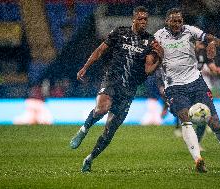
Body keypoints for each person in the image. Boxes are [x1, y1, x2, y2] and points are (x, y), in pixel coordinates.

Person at [69, 6, 163, 173]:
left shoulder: (149, 41)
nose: (143, 22)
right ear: (133, 19)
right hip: (112, 80)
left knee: (109, 132)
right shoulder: (119, 32)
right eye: (140, 19)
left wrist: (160, 58)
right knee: (101, 108)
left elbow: (148, 70)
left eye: (145, 20)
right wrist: (85, 67)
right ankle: (83, 130)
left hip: (129, 88)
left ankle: (89, 158)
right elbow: (100, 50)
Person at [154, 8, 220, 172]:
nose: (177, 24)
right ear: (167, 21)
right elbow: (150, 53)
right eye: (173, 20)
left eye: (179, 21)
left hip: (196, 82)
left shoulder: (190, 30)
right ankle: (198, 160)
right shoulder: (158, 35)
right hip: (174, 86)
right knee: (185, 118)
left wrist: (212, 43)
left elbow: (215, 39)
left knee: (215, 123)